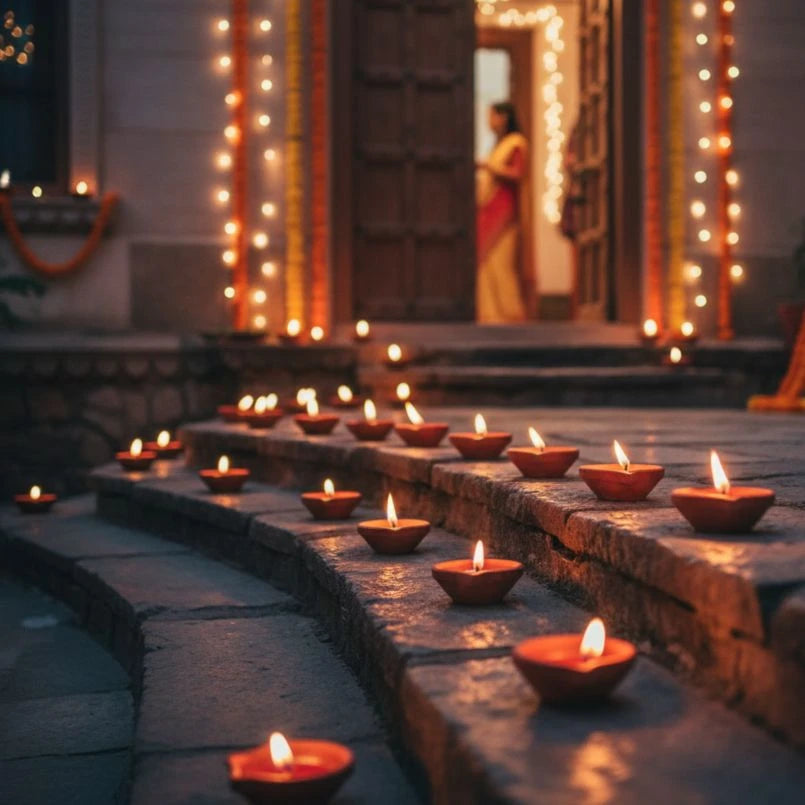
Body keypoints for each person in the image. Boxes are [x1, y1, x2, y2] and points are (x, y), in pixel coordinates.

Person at [476, 101, 530, 323]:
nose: (488, 121)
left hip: (505, 211)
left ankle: (510, 315)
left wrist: (489, 167)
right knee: (486, 264)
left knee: (501, 266)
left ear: (503, 117)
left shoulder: (516, 143)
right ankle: (489, 316)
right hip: (489, 208)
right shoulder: (498, 146)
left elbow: (517, 174)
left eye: (492, 116)